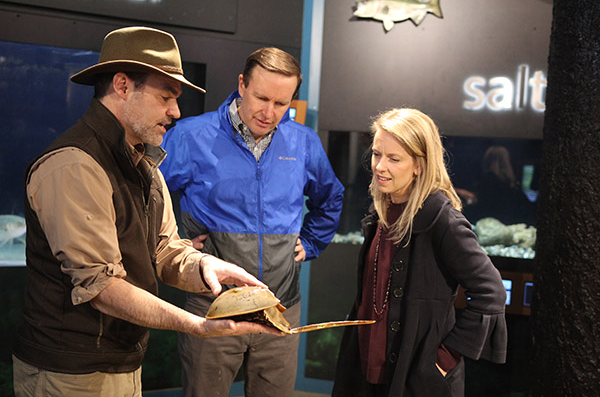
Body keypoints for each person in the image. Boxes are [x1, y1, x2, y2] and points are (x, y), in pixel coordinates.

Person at [12, 26, 281, 397]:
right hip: (69, 372)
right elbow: (101, 287)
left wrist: (205, 267)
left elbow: (164, 248)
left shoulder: (145, 162)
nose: (176, 112)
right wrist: (196, 325)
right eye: (165, 96)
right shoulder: (74, 164)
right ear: (122, 86)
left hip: (123, 364)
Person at [160, 47, 344, 397]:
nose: (269, 113)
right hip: (213, 304)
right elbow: (144, 191)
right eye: (261, 98)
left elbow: (331, 196)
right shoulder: (191, 136)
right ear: (242, 84)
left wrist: (312, 241)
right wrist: (176, 241)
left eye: (281, 103)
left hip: (280, 305)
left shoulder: (302, 141)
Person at [332, 108, 507, 397]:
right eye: (377, 154)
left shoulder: (444, 220)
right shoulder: (380, 213)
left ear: (419, 164)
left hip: (417, 381)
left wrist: (444, 360)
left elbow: (491, 293)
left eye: (394, 158)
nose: (380, 166)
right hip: (366, 374)